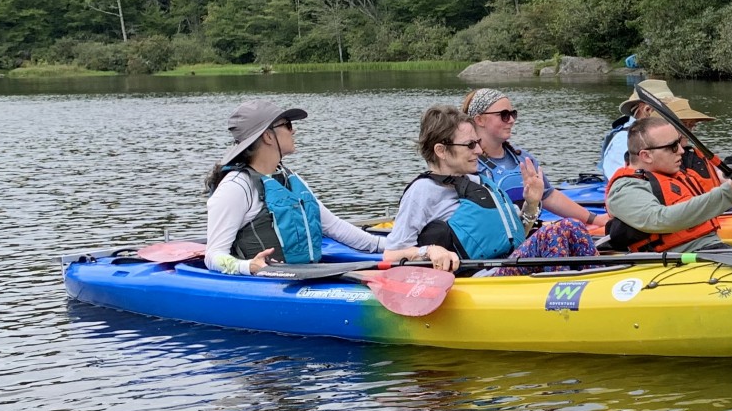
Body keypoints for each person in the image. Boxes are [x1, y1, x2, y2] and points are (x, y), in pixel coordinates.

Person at [204, 99, 445, 275]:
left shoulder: (289, 179)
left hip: (308, 275)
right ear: (268, 136)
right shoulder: (237, 188)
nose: (293, 129)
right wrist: (248, 267)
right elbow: (213, 256)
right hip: (268, 283)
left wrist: (397, 246)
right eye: (287, 125)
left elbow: (335, 228)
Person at [388, 105, 598, 267]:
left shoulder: (478, 182)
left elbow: (514, 236)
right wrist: (429, 251)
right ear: (441, 151)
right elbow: (392, 254)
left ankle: (589, 286)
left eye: (477, 142)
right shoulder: (423, 191)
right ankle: (561, 303)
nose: (479, 150)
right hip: (477, 276)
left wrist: (532, 203)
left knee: (571, 227)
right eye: (470, 145)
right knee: (560, 231)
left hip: (504, 265)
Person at [604, 116, 732, 252]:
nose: (681, 150)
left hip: (710, 247)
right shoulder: (626, 189)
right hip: (681, 260)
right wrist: (727, 192)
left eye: (679, 143)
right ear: (646, 156)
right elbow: (660, 219)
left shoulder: (673, 174)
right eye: (672, 146)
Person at [462, 89, 600, 229]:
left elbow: (548, 196)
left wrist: (594, 220)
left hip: (526, 236)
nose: (511, 120)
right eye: (504, 115)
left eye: (513, 114)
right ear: (479, 120)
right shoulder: (467, 164)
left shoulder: (523, 159)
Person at [597, 79, 717, 181]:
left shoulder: (660, 135)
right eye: (667, 110)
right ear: (648, 110)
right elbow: (624, 184)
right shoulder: (624, 140)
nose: (672, 115)